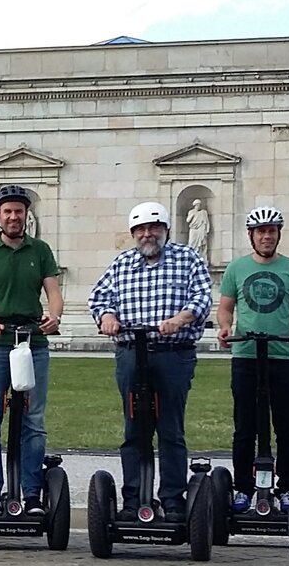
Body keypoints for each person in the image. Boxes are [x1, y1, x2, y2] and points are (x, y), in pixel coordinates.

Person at [89, 202, 212, 518]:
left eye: (153, 228)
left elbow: (201, 298)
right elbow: (99, 298)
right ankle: (134, 501)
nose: (147, 234)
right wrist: (107, 317)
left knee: (170, 429)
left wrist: (179, 319)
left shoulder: (187, 258)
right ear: (133, 234)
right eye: (141, 230)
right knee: (134, 430)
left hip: (173, 355)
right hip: (131, 354)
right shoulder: (123, 263)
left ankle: (172, 501)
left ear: (165, 230)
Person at [0, 185, 64, 515]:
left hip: (32, 340)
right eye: (7, 211)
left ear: (26, 215)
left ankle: (33, 494)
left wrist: (55, 317)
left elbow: (53, 292)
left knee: (34, 420)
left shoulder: (41, 250)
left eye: (18, 211)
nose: (13, 216)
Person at [215, 205, 289, 512]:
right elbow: (226, 307)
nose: (266, 236)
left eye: (271, 231)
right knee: (245, 426)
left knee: (286, 425)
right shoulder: (236, 269)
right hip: (246, 354)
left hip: (282, 355)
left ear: (278, 234)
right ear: (251, 236)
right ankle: (242, 486)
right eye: (261, 232)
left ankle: (287, 487)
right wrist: (226, 327)